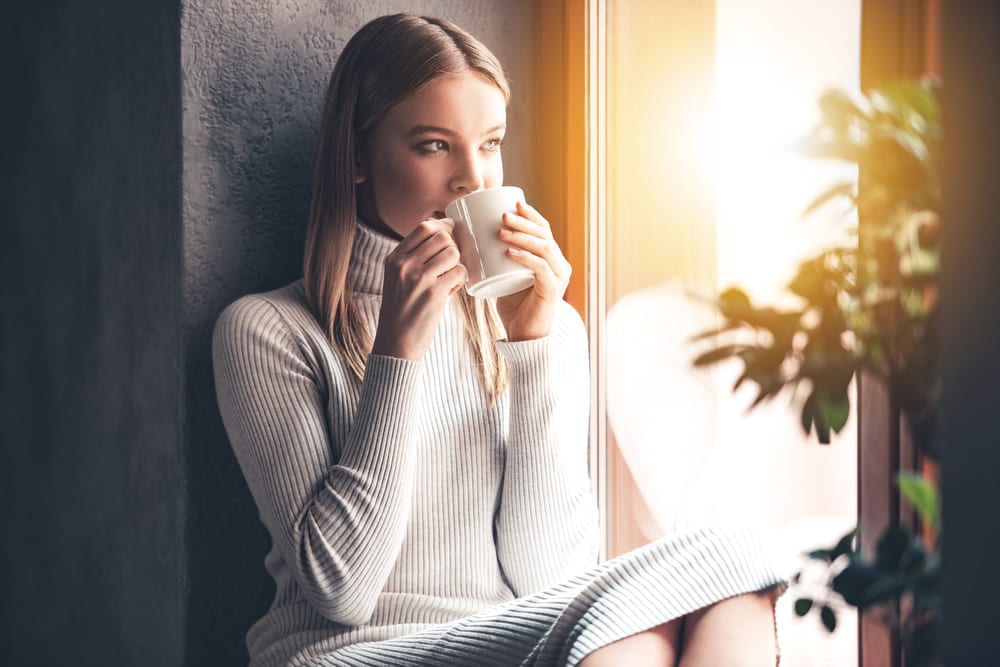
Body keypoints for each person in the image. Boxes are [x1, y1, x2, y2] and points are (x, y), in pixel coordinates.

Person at [212, 13, 784, 667]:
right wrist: (397, 351)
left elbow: (548, 575)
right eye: (434, 145)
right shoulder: (267, 331)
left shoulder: (537, 329)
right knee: (627, 625)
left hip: (508, 638)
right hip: (351, 651)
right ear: (358, 158)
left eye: (489, 144)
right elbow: (342, 586)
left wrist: (537, 342)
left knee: (742, 553)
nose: (473, 180)